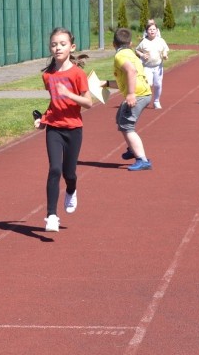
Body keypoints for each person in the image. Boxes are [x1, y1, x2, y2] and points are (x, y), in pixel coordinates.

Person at [33, 27, 93, 232]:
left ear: (72, 47)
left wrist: (68, 93)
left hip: (74, 129)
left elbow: (88, 103)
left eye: (62, 44)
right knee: (55, 169)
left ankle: (72, 189)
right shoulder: (48, 76)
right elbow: (54, 103)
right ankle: (51, 215)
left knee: (69, 173)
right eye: (54, 44)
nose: (57, 47)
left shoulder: (78, 74)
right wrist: (43, 119)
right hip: (54, 129)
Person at [102, 27, 153, 171]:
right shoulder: (131, 54)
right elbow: (124, 79)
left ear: (113, 44)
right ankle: (133, 148)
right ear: (131, 43)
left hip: (138, 94)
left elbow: (131, 71)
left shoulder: (120, 56)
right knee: (120, 119)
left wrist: (130, 94)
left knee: (127, 126)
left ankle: (142, 159)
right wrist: (105, 83)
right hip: (142, 92)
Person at [135, 20, 169, 109]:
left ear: (157, 30)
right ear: (146, 31)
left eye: (154, 29)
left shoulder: (161, 40)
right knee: (148, 84)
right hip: (147, 67)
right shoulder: (144, 42)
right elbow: (137, 50)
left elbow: (165, 49)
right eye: (150, 29)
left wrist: (165, 55)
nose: (152, 31)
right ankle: (144, 101)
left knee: (158, 84)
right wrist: (142, 54)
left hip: (158, 67)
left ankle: (156, 101)